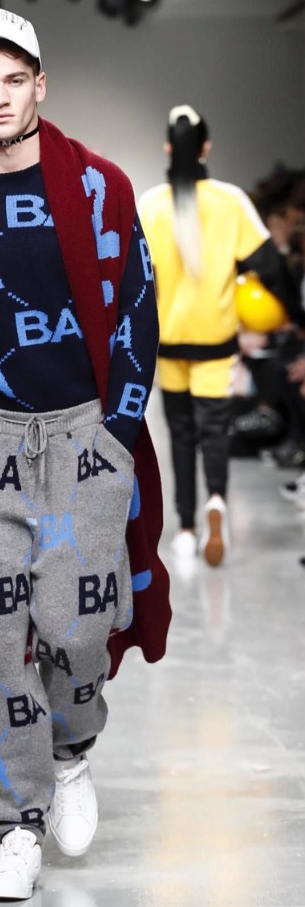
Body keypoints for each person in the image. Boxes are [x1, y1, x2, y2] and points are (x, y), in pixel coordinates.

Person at [0, 7, 170, 901]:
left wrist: (118, 429)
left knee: (79, 625)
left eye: (16, 80)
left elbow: (137, 306)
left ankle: (72, 746)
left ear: (40, 84)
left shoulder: (98, 187)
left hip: (84, 431)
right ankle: (15, 824)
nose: (1, 97)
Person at [138, 105, 295, 566]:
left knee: (181, 434)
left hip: (170, 345)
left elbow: (133, 277)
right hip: (217, 343)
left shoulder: (151, 205)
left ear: (168, 148)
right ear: (206, 147)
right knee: (214, 431)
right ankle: (217, 501)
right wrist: (294, 314)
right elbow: (270, 266)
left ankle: (186, 528)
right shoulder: (231, 202)